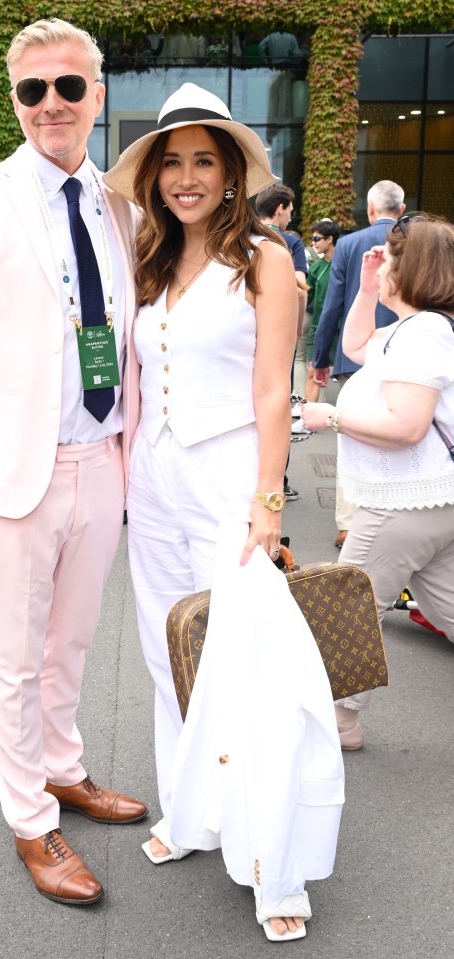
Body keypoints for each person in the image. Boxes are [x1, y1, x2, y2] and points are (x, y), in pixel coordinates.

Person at [104, 82, 344, 942]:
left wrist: (267, 502)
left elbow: (272, 391)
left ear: (235, 171)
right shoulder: (152, 256)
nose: (187, 177)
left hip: (231, 473)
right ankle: (192, 809)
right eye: (172, 163)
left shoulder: (266, 259)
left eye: (204, 160)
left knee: (255, 666)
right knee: (170, 649)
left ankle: (274, 864)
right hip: (155, 479)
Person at [0, 18, 147, 908]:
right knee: (12, 656)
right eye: (32, 90)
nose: (50, 104)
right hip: (14, 477)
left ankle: (63, 767)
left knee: (73, 641)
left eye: (68, 87)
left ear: (96, 95)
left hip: (101, 460)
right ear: (16, 101)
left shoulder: (119, 202)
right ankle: (28, 817)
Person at [302, 214, 454, 749]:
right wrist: (366, 291)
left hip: (403, 504)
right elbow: (361, 344)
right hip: (424, 502)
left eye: (388, 259)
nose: (380, 263)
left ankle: (339, 721)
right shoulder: (416, 329)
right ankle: (340, 720)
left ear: (410, 268)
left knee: (348, 612)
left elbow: (408, 426)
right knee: (443, 604)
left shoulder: (424, 333)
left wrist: (332, 418)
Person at [312, 180, 405, 548]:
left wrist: (321, 358)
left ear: (369, 209)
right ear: (399, 210)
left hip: (356, 353)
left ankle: (350, 523)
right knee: (397, 435)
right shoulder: (413, 243)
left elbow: (332, 304)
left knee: (352, 435)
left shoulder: (348, 245)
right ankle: (392, 515)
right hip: (403, 350)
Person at [255, 183, 308, 501]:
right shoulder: (288, 242)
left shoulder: (236, 236)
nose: (291, 215)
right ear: (279, 208)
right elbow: (300, 287)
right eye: (290, 209)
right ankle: (277, 479)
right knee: (277, 401)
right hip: (277, 337)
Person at [304, 219, 341, 402]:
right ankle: (306, 418)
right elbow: (305, 296)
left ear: (330, 239)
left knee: (346, 376)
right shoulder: (316, 268)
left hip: (342, 328)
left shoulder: (345, 265)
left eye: (316, 239)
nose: (313, 243)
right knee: (312, 371)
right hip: (318, 328)